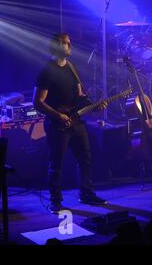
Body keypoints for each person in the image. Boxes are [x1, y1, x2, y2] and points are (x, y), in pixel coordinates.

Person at [33, 33, 108, 214]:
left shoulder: (72, 68)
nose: (68, 46)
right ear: (56, 46)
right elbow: (38, 102)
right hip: (57, 125)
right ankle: (55, 202)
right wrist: (58, 115)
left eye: (69, 43)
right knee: (56, 164)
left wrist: (94, 106)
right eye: (64, 43)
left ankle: (86, 193)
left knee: (85, 158)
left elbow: (80, 96)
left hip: (76, 122)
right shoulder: (47, 71)